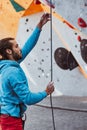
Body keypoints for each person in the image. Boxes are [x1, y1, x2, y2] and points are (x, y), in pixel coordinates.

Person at [0, 13, 54, 130]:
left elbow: (28, 47)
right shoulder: (12, 72)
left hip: (6, 117)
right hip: (12, 122)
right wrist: (46, 92)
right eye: (17, 46)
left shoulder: (5, 66)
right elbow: (28, 99)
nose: (20, 49)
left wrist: (39, 26)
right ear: (9, 51)